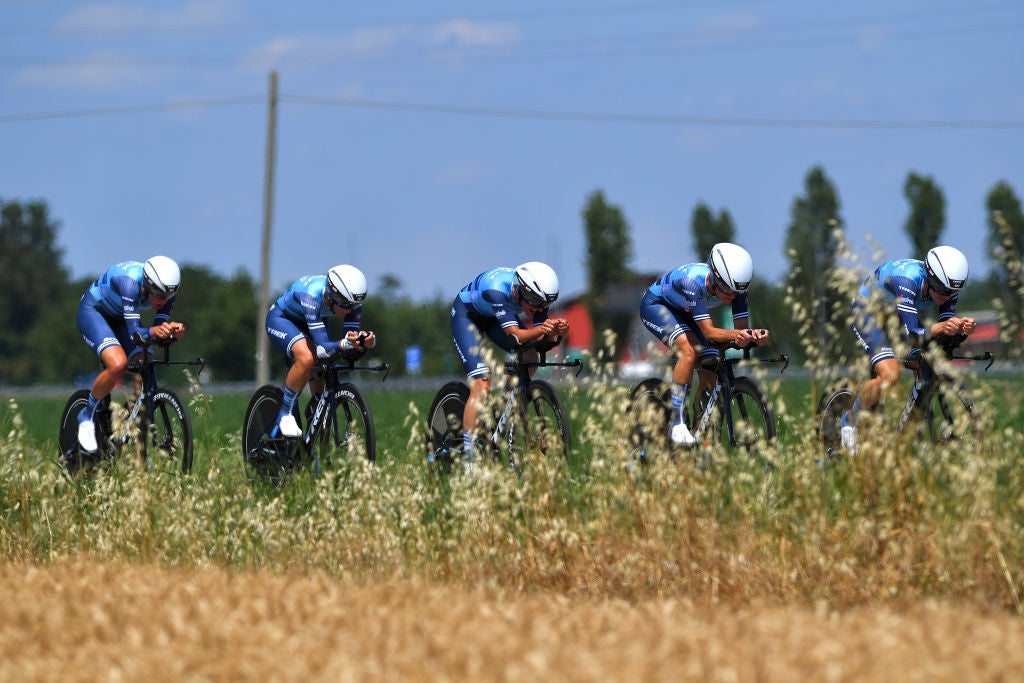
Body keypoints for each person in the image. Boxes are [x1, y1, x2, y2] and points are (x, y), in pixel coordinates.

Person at [841, 245, 976, 451]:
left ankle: (911, 438)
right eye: (941, 289)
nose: (946, 296)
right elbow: (913, 335)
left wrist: (960, 329)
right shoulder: (907, 281)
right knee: (890, 375)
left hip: (896, 311)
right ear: (929, 276)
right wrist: (940, 327)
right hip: (867, 311)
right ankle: (849, 419)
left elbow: (941, 335)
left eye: (952, 292)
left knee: (927, 365)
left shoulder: (948, 287)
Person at [639, 242, 770, 446]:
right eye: (727, 291)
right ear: (715, 279)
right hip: (657, 305)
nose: (732, 297)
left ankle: (698, 433)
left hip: (686, 310)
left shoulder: (737, 288)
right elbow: (709, 331)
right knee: (689, 352)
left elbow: (740, 331)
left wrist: (753, 337)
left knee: (710, 364)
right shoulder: (691, 282)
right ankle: (676, 423)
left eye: (736, 293)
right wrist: (738, 335)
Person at [451, 261, 569, 465]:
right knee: (481, 385)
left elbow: (539, 342)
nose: (538, 308)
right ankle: (469, 461)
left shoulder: (538, 297)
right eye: (535, 302)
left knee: (530, 356)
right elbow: (515, 336)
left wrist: (555, 333)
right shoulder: (496, 289)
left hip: (493, 317)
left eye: (544, 304)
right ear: (520, 289)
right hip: (468, 316)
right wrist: (542, 330)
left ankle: (503, 403)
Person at [76, 256, 185, 452]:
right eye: (160, 295)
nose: (164, 300)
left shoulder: (167, 292)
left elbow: (157, 330)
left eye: (169, 295)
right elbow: (136, 333)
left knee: (147, 365)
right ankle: (86, 416)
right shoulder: (129, 284)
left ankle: (129, 428)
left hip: (122, 319)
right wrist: (155, 331)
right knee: (118, 364)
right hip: (95, 313)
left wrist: (170, 332)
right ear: (147, 284)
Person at [264, 264, 376, 438]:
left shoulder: (350, 302)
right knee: (308, 357)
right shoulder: (311, 295)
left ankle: (315, 408)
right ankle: (285, 414)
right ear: (331, 295)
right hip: (283, 320)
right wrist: (345, 344)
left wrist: (362, 341)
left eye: (354, 305)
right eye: (346, 305)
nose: (349, 310)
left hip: (314, 320)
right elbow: (323, 348)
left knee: (327, 365)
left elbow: (349, 337)